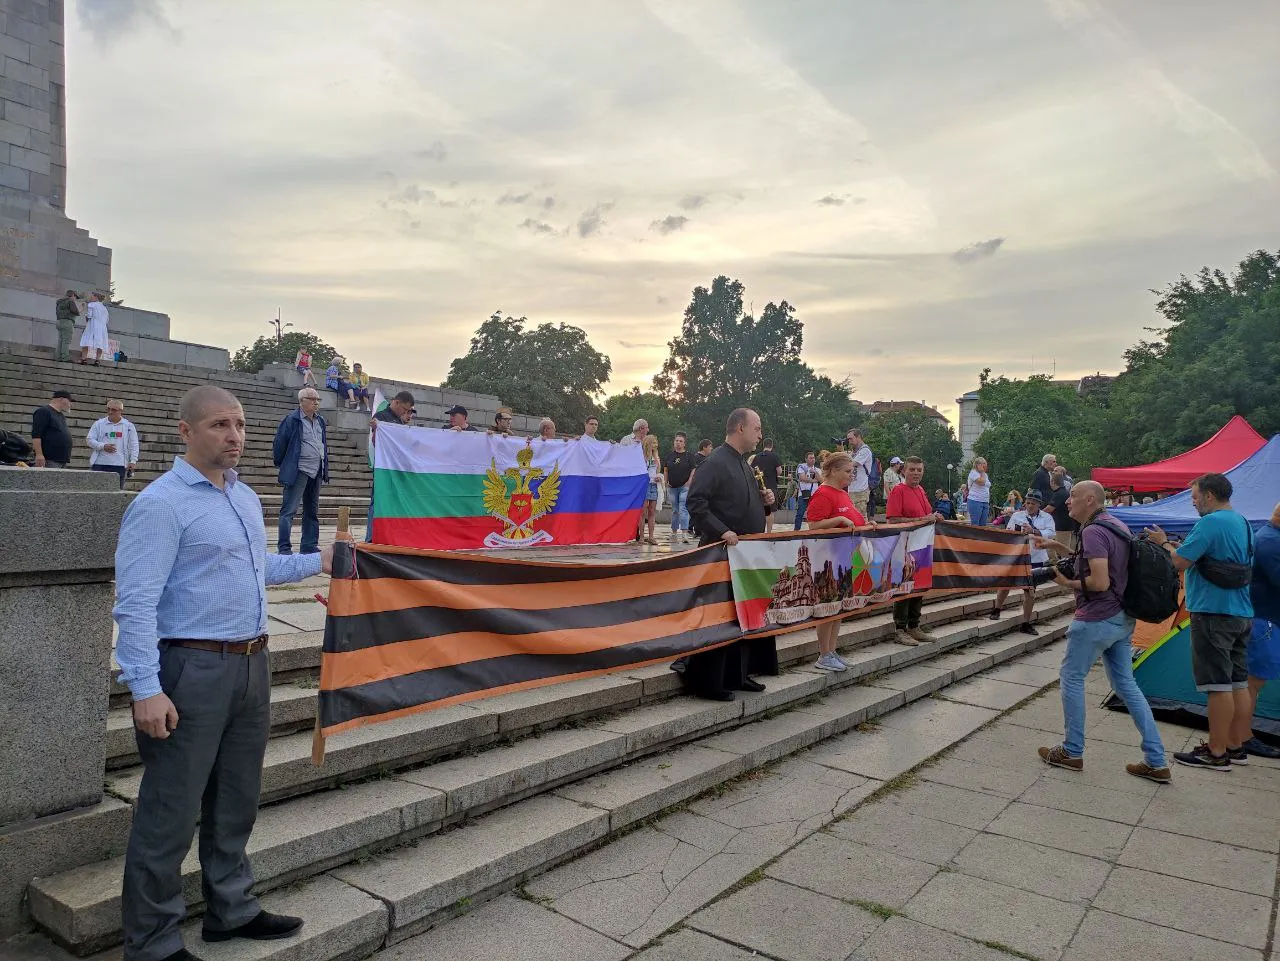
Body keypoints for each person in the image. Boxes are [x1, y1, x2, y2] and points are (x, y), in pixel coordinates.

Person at [114, 385, 335, 961]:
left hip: (251, 663)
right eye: (219, 425)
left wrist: (320, 560)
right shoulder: (160, 504)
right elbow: (135, 603)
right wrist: (145, 688)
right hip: (191, 667)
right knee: (171, 808)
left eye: (238, 424)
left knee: (237, 798)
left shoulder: (243, 496)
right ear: (185, 431)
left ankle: (230, 909)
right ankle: (152, 941)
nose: (234, 436)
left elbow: (256, 568)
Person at [1033, 480, 1170, 782]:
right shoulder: (1114, 524)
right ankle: (1156, 760)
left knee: (1071, 677)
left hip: (1096, 617)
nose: (1067, 501)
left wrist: (1065, 583)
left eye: (1073, 496)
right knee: (1127, 686)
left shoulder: (1093, 531)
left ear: (1090, 500)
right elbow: (1103, 562)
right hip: (1122, 617)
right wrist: (1060, 548)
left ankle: (1072, 750)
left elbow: (1100, 581)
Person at [1147, 473, 1255, 770]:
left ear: (1209, 495)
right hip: (1241, 611)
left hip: (1213, 612)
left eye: (1194, 497)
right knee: (1238, 682)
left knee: (1217, 684)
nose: (1193, 503)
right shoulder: (1243, 522)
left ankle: (1216, 752)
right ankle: (1236, 745)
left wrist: (1163, 543)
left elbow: (1179, 561)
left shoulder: (1209, 523)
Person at [682, 408, 778, 699]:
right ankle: (709, 682)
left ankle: (738, 675)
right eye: (756, 428)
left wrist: (763, 501)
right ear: (740, 428)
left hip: (744, 555)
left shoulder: (744, 464)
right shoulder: (715, 462)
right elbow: (696, 502)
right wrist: (722, 530)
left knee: (741, 617)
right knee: (719, 617)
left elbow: (737, 501)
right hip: (721, 552)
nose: (760, 435)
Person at [803, 450, 868, 672]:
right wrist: (839, 519)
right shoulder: (823, 494)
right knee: (827, 606)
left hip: (844, 558)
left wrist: (867, 525)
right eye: (848, 471)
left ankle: (831, 650)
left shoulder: (842, 493)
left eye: (852, 471)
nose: (852, 475)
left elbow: (853, 520)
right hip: (827, 560)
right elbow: (813, 525)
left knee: (837, 608)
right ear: (833, 471)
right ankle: (823, 653)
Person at [885, 456, 943, 646]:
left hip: (922, 547)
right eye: (912, 469)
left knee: (919, 585)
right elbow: (892, 520)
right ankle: (900, 629)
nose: (916, 473)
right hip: (904, 547)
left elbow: (925, 515)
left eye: (919, 470)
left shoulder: (921, 490)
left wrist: (934, 517)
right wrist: (922, 520)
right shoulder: (898, 490)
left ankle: (914, 625)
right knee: (904, 587)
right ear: (904, 471)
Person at [989, 489, 1055, 635]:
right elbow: (1008, 532)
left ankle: (1026, 622)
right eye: (1028, 503)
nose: (1030, 506)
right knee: (1005, 584)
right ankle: (997, 608)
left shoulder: (1047, 517)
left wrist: (1034, 531)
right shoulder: (1017, 516)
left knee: (1030, 592)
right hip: (1017, 557)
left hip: (1035, 558)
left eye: (1033, 503)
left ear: (1039, 504)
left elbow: (1051, 533)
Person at [272, 388, 329, 555]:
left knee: (312, 511)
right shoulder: (292, 420)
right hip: (299, 470)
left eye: (318, 399)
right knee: (289, 510)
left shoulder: (320, 420)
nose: (316, 402)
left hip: (316, 470)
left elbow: (322, 444)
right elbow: (279, 445)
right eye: (312, 399)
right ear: (301, 401)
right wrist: (286, 465)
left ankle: (309, 545)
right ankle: (284, 548)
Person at [1243, 502, 1280, 759]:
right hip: (1264, 621)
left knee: (1252, 682)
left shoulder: (1268, 537)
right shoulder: (1271, 543)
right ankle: (1243, 737)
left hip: (1264, 619)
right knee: (1252, 682)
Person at [366, 391, 414, 540]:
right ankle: (370, 537)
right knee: (377, 501)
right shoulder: (381, 417)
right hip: (384, 468)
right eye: (404, 409)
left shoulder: (399, 421)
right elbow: (376, 441)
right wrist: (376, 428)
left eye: (408, 411)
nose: (405, 413)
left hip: (396, 467)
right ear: (396, 402)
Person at [87, 399, 139, 488]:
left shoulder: (129, 426)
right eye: (108, 409)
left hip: (119, 465)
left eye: (114, 410)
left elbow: (134, 444)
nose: (110, 412)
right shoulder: (98, 424)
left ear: (120, 411)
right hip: (99, 463)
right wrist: (103, 446)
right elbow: (89, 440)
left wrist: (133, 461)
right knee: (95, 491)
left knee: (116, 493)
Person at [663, 432, 695, 545]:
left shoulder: (689, 456)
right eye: (676, 441)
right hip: (672, 487)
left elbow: (693, 469)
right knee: (675, 510)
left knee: (683, 508)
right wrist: (666, 482)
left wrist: (689, 481)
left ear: (684, 443)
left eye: (681, 441)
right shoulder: (669, 456)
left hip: (684, 486)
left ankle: (684, 533)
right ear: (674, 442)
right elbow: (665, 469)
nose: (678, 443)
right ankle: (674, 532)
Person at [31, 389, 73, 468]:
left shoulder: (61, 415)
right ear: (61, 399)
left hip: (61, 460)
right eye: (69, 401)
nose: (70, 404)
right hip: (49, 459)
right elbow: (36, 435)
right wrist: (39, 455)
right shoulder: (44, 411)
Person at [753, 438, 783, 533]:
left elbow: (752, 471)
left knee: (760, 510)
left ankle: (759, 530)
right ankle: (769, 532)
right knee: (770, 511)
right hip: (771, 486)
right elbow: (779, 471)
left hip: (759, 488)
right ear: (772, 445)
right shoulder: (774, 456)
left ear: (763, 445)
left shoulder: (757, 456)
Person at [1044, 466, 1076, 547]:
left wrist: (1036, 514)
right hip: (1061, 526)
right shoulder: (1060, 492)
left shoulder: (1059, 494)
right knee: (1053, 548)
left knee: (1062, 548)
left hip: (1063, 527)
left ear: (1053, 482)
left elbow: (1049, 509)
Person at [846, 428, 873, 519]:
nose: (849, 442)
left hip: (861, 489)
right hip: (852, 489)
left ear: (858, 437)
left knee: (860, 517)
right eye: (848, 439)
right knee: (852, 516)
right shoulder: (854, 452)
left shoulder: (865, 450)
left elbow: (851, 463)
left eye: (851, 439)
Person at [640, 434, 661, 545]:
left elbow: (657, 471)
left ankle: (651, 537)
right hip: (644, 485)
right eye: (653, 443)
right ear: (648, 443)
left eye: (656, 443)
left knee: (652, 512)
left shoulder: (656, 457)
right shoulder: (642, 456)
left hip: (654, 485)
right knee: (643, 512)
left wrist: (658, 477)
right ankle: (641, 537)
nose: (655, 445)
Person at [78, 291, 110, 365]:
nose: (90, 298)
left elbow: (89, 316)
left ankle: (84, 359)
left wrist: (85, 312)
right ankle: (97, 360)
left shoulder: (91, 305)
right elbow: (107, 320)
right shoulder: (104, 308)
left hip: (92, 326)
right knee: (100, 343)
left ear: (96, 298)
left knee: (86, 341)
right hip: (102, 328)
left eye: (92, 296)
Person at [793, 451, 819, 531]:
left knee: (815, 513)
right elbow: (802, 478)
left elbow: (820, 479)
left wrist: (815, 473)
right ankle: (796, 531)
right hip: (803, 494)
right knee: (800, 513)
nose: (812, 459)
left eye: (813, 458)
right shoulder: (802, 467)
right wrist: (813, 481)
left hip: (814, 494)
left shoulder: (817, 469)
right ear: (806, 459)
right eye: (810, 458)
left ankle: (814, 530)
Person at [55, 289, 80, 362]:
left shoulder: (59, 302)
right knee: (66, 340)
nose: (75, 299)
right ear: (73, 295)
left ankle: (58, 357)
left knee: (60, 340)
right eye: (75, 297)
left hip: (59, 321)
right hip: (67, 322)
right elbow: (76, 312)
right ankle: (65, 358)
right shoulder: (71, 301)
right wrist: (82, 308)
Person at [966, 457, 991, 526]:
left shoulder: (985, 475)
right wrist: (982, 472)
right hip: (975, 501)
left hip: (985, 501)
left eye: (985, 463)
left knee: (983, 524)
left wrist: (983, 473)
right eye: (984, 463)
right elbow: (981, 482)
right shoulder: (973, 473)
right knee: (975, 524)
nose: (985, 465)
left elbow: (987, 485)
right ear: (978, 465)